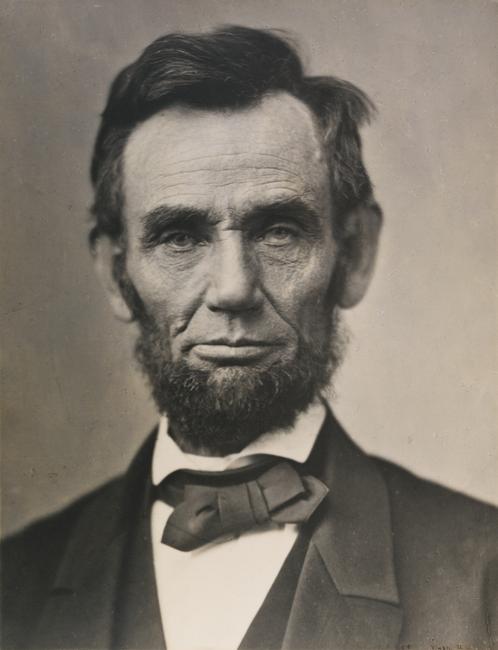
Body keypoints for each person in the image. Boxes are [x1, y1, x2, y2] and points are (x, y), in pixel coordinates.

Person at [2, 25, 497, 650]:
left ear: (356, 253)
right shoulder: (12, 586)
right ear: (113, 271)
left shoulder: (485, 577)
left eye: (280, 231)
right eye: (180, 237)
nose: (233, 289)